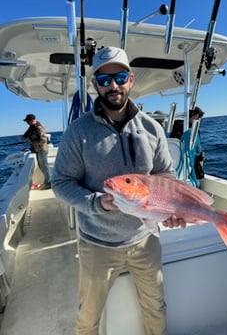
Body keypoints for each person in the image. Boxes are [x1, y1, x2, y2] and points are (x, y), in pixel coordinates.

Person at [52, 46, 186, 335]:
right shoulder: (78, 132)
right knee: (88, 317)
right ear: (94, 85)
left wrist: (170, 210)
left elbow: (165, 175)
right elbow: (61, 183)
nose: (113, 85)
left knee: (156, 306)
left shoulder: (152, 129)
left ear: (131, 80)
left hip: (145, 239)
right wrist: (98, 203)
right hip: (97, 244)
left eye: (120, 77)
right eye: (104, 80)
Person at [170, 106, 205, 180]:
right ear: (197, 116)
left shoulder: (176, 125)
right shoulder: (194, 129)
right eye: (200, 119)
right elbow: (196, 149)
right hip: (187, 163)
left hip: (173, 162)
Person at [22, 114, 51, 190]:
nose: (27, 123)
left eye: (28, 121)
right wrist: (26, 139)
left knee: (44, 166)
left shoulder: (39, 127)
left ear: (32, 120)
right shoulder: (31, 127)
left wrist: (34, 143)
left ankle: (49, 183)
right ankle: (48, 182)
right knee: (42, 166)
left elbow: (43, 139)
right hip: (36, 150)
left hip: (41, 149)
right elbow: (25, 136)